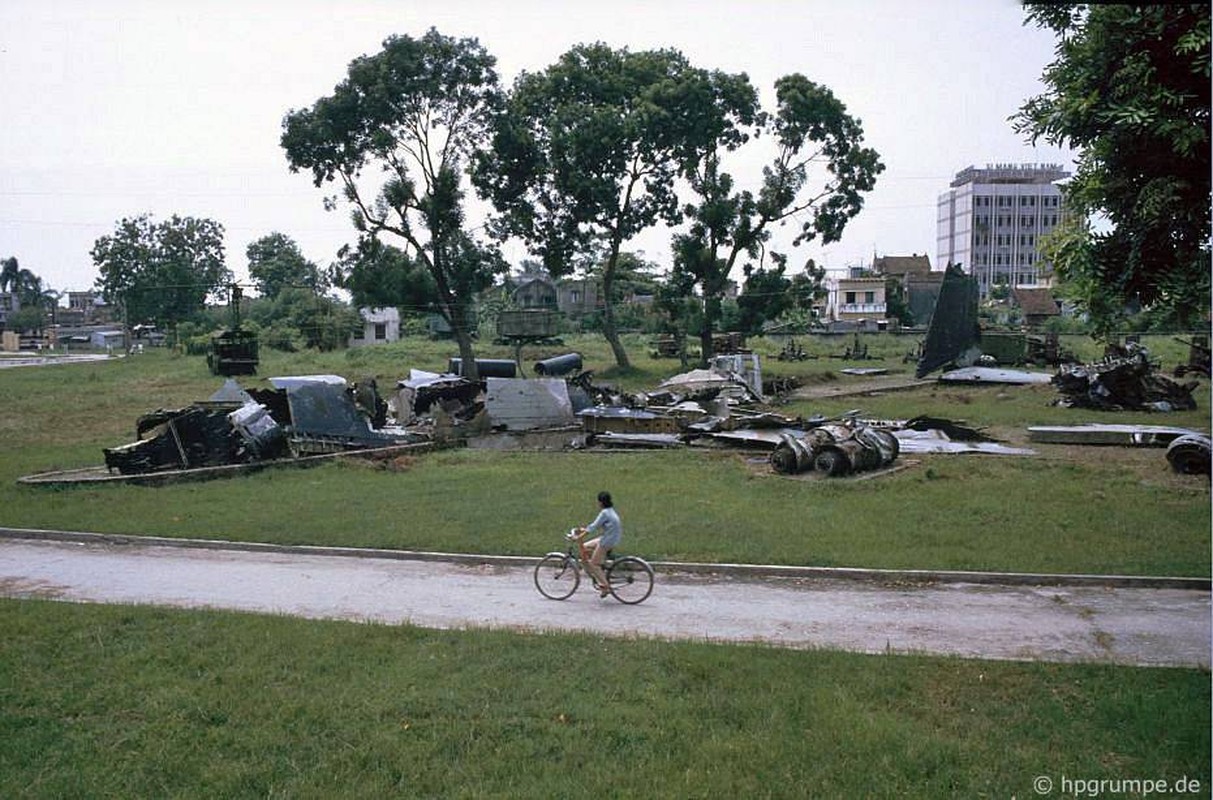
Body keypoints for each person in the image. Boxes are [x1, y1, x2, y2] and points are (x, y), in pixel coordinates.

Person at [569, 491, 622, 598]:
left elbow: (593, 527)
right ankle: (598, 573)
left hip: (607, 541)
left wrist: (578, 537)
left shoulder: (604, 513)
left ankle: (605, 586)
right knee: (585, 547)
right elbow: (595, 525)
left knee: (594, 564)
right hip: (610, 538)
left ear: (600, 502)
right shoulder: (610, 511)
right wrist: (583, 530)